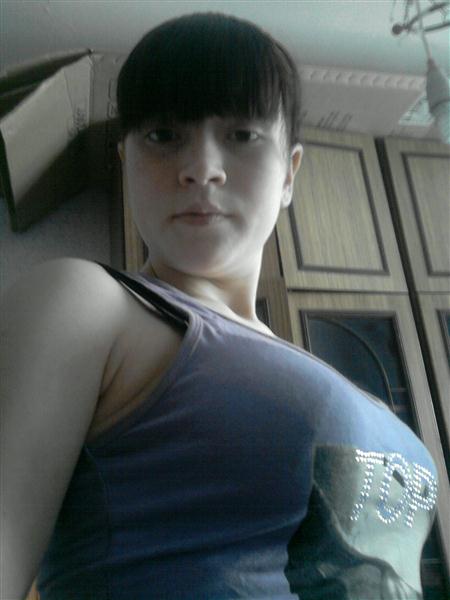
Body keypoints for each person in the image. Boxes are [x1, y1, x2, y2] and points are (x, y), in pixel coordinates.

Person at [0, 12, 438, 600]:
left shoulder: (341, 381)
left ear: (290, 174)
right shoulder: (86, 304)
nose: (201, 169)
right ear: (126, 162)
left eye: (242, 135)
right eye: (163, 135)